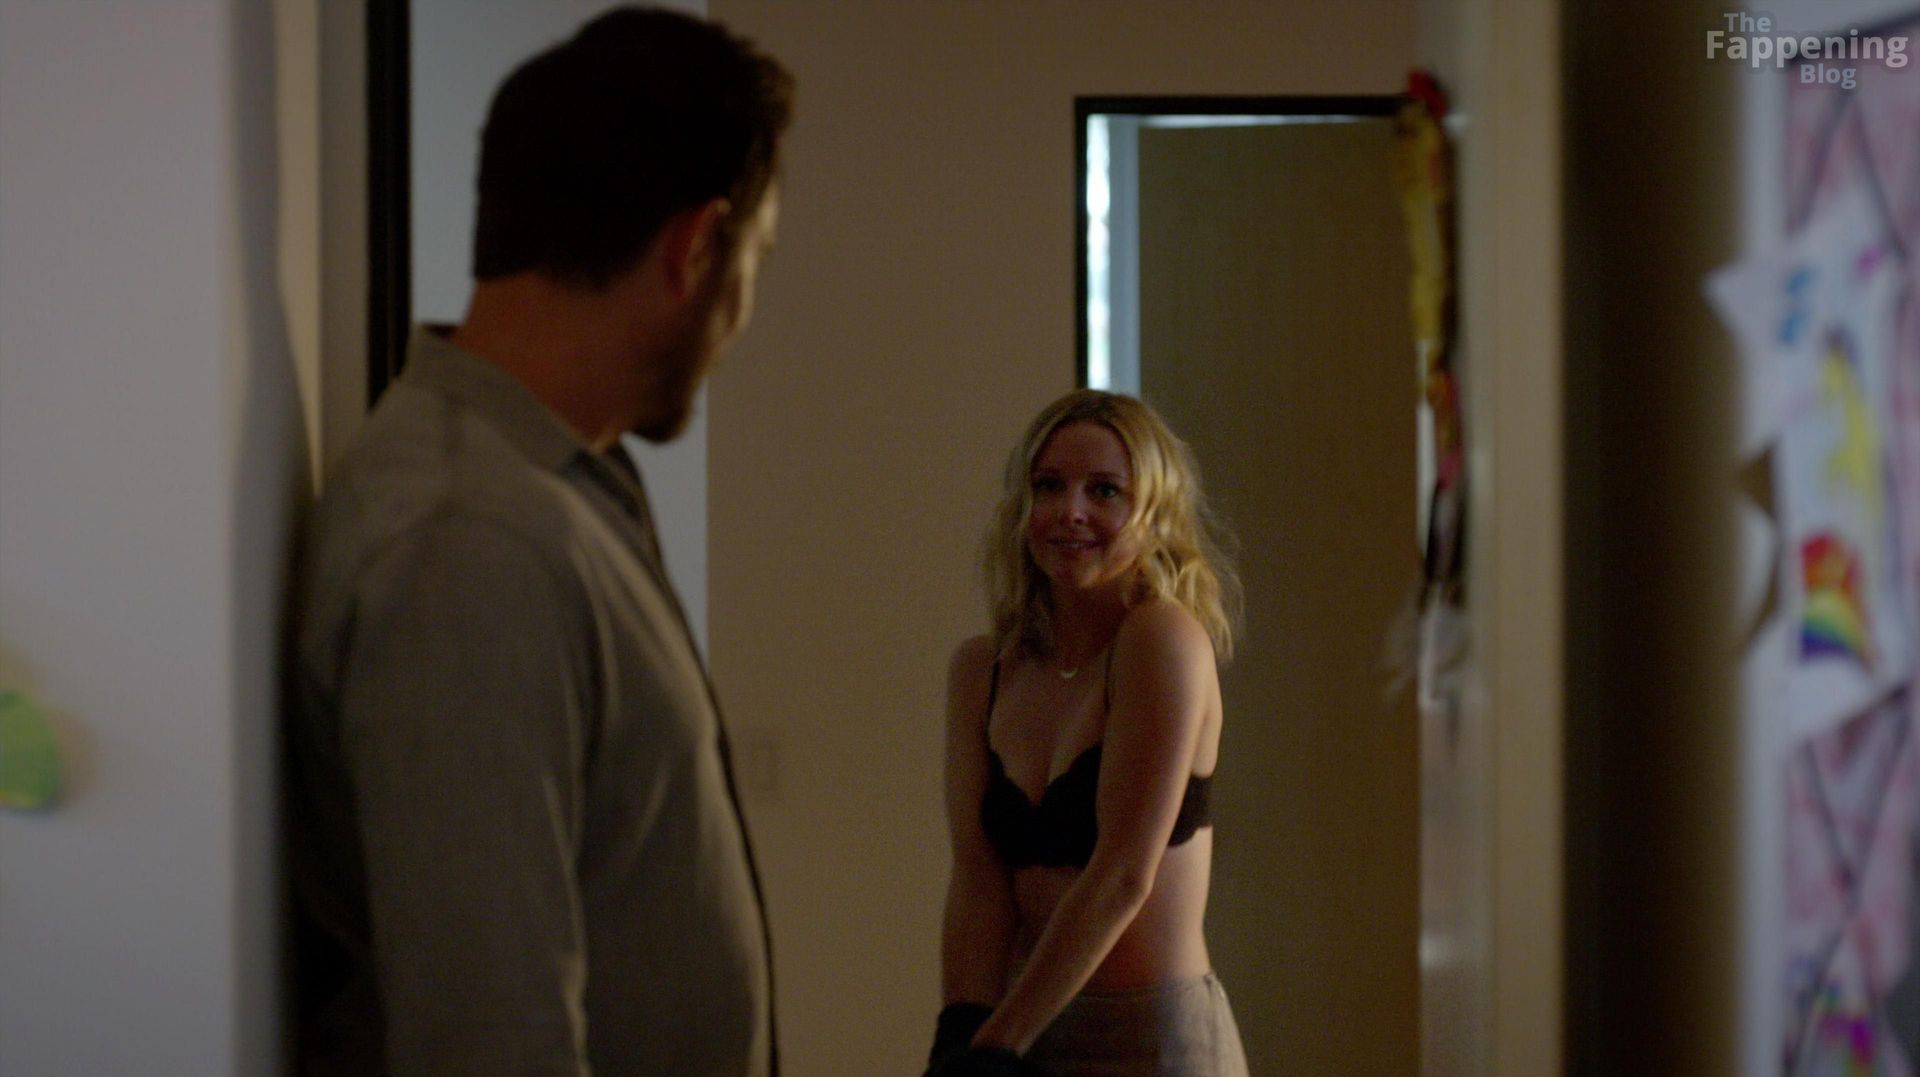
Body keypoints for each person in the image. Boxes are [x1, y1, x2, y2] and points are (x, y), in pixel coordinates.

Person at [283, 8, 792, 1074]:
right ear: (695, 247)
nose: (744, 312)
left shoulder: (551, 486)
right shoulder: (470, 543)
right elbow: (489, 1041)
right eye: (755, 260)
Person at [927, 390, 1249, 1077]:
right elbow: (979, 878)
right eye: (1049, 486)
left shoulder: (1161, 639)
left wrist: (996, 1046)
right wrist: (961, 1033)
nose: (1070, 510)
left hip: (1155, 1039)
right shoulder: (982, 669)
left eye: (1104, 490)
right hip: (1028, 1028)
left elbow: (1123, 874)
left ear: (1155, 511)